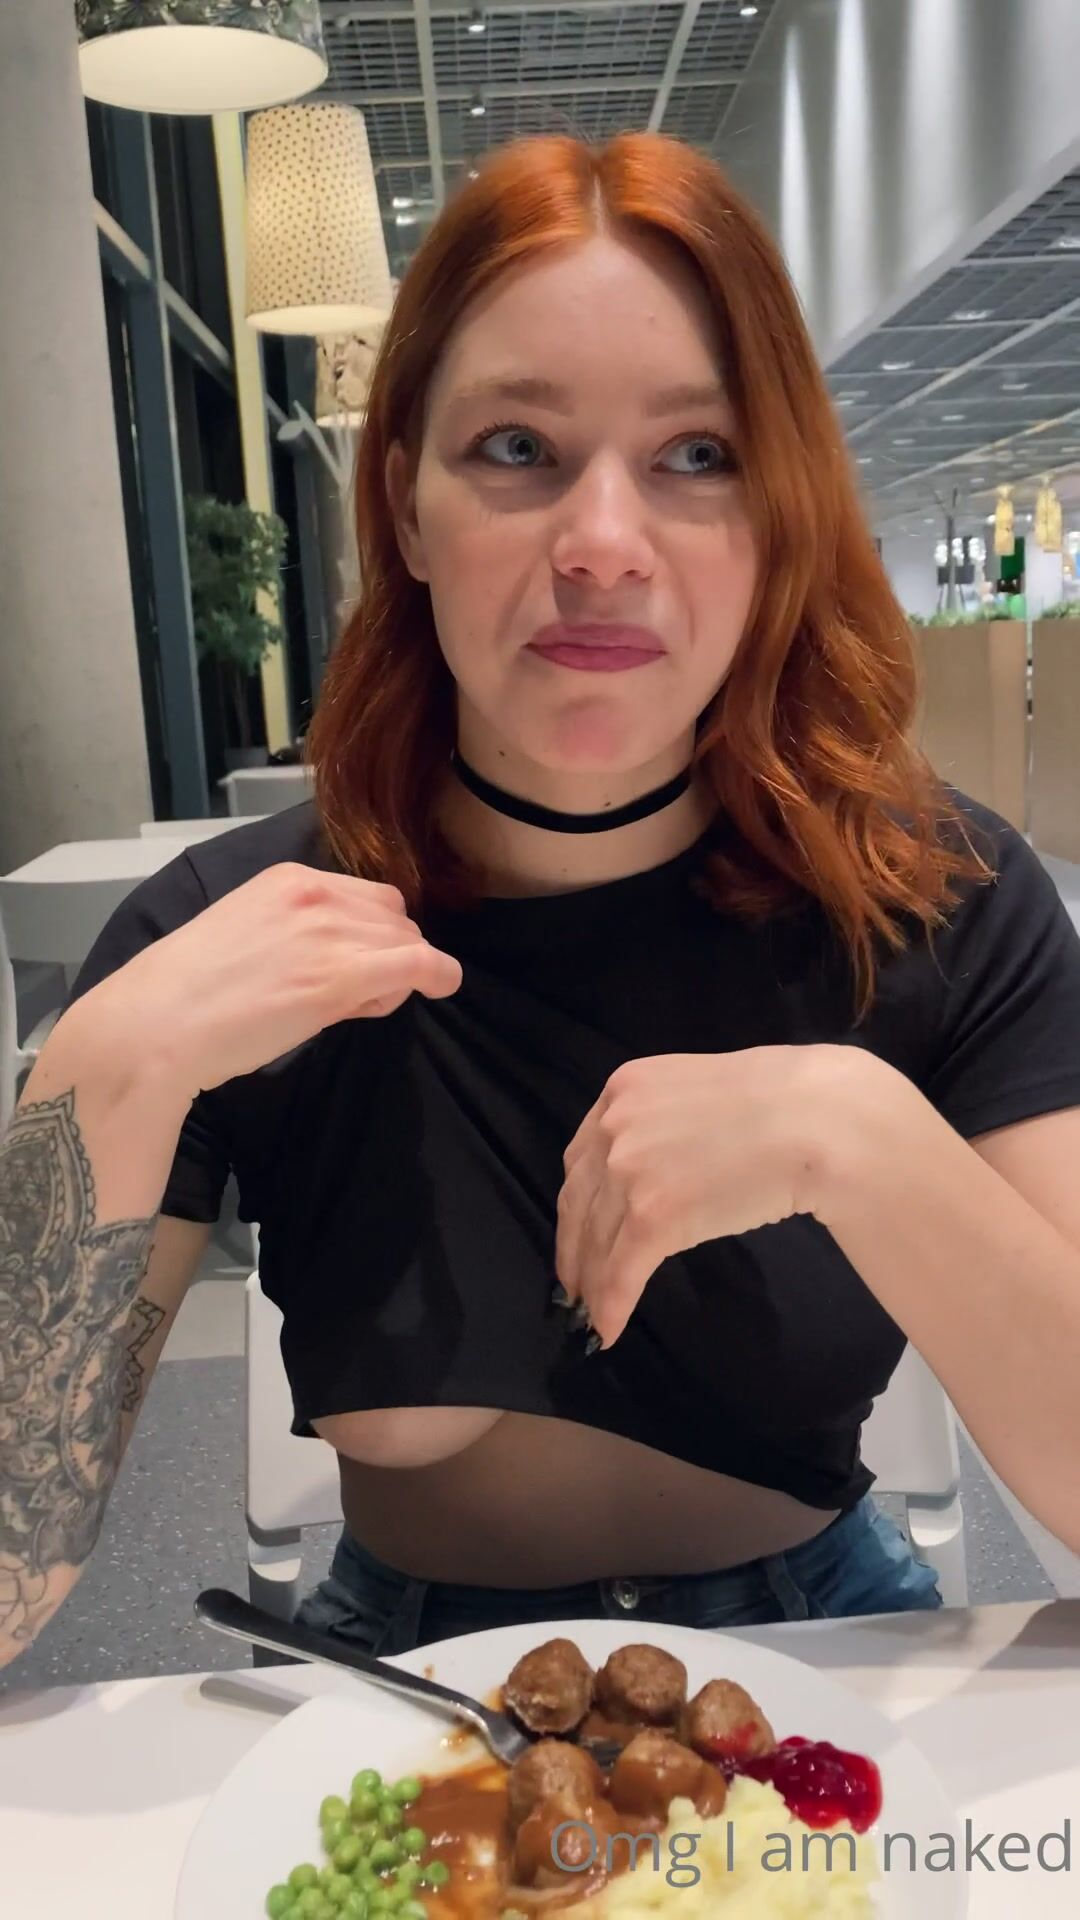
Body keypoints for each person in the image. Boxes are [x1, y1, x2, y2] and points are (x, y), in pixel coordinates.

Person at [3, 133, 1080, 1671]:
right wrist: (109, 1065)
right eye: (517, 447)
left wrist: (858, 1139)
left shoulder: (935, 903)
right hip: (402, 1691)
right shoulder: (229, 940)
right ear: (407, 505)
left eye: (697, 455)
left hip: (830, 1656)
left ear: (778, 510)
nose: (602, 547)